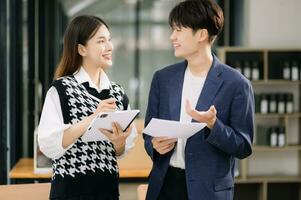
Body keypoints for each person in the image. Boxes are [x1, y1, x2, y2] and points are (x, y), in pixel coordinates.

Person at [143, 0, 254, 200]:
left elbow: (243, 146)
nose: (172, 37)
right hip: (165, 186)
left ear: (202, 34)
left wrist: (213, 125)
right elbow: (149, 133)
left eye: (178, 30)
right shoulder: (163, 79)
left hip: (208, 191)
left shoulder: (236, 84)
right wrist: (155, 146)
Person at [38, 15, 137, 200]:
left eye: (109, 40)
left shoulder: (117, 92)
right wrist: (93, 118)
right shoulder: (61, 89)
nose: (109, 47)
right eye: (101, 41)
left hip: (107, 190)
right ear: (82, 49)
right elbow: (49, 144)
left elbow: (120, 151)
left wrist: (119, 142)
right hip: (70, 192)